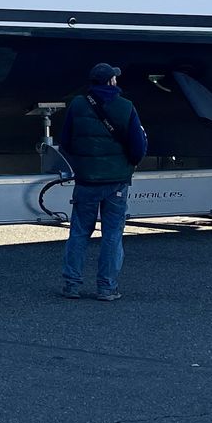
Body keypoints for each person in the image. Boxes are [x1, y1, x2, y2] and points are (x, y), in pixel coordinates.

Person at [54, 62, 149, 301]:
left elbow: (65, 140)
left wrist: (83, 160)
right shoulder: (126, 106)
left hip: (86, 180)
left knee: (79, 232)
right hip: (117, 180)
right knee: (112, 234)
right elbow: (138, 146)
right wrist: (131, 162)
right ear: (110, 81)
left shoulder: (77, 104)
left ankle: (71, 285)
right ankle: (106, 288)